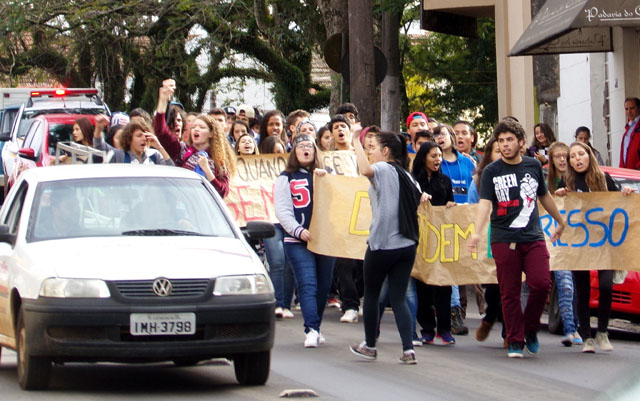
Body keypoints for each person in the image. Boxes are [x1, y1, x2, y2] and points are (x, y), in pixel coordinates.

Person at [467, 118, 566, 359]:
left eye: (510, 140)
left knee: (541, 284)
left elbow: (544, 197)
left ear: (521, 143)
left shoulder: (532, 166)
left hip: (533, 237)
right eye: (501, 141)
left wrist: (560, 221)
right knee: (509, 292)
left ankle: (530, 329)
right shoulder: (491, 171)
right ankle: (514, 339)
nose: (504, 145)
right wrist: (478, 232)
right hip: (503, 238)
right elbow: (484, 204)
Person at [349, 130, 428, 365]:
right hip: (407, 245)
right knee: (399, 297)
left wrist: (355, 142)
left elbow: (365, 170)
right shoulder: (408, 175)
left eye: (372, 148)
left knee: (371, 296)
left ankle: (370, 345)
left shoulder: (384, 169)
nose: (369, 152)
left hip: (382, 244)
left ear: (385, 151)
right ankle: (408, 350)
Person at [555, 142, 635, 352]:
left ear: (589, 155)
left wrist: (625, 192)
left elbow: (619, 203)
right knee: (582, 290)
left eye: (581, 154)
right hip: (580, 243)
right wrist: (561, 195)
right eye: (573, 156)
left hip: (604, 243)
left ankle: (602, 331)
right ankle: (587, 337)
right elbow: (558, 207)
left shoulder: (603, 179)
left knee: (606, 286)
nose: (577, 159)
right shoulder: (568, 181)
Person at [274, 134, 335, 347]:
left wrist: (326, 178)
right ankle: (311, 328)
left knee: (323, 285)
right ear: (294, 151)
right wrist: (297, 230)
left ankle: (316, 325)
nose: (306, 149)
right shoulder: (286, 177)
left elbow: (340, 201)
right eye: (301, 146)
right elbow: (282, 210)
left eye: (310, 146)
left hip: (325, 240)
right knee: (308, 284)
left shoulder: (328, 174)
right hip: (297, 240)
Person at [155, 79, 235, 198]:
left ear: (211, 133)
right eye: (194, 127)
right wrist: (162, 101)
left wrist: (207, 170)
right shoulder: (182, 151)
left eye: (201, 127)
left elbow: (223, 192)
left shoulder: (220, 160)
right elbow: (161, 132)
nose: (196, 130)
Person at [411, 141, 456, 345]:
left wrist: (450, 205)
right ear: (423, 158)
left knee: (444, 284)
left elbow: (451, 202)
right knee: (423, 286)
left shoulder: (445, 181)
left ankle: (445, 329)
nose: (438, 159)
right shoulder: (413, 181)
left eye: (440, 156)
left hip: (442, 239)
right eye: (433, 156)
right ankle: (427, 329)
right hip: (421, 239)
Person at [469, 138, 506, 346]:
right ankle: (491, 316)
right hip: (488, 237)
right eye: (497, 151)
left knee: (510, 286)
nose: (501, 153)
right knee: (493, 285)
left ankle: (510, 334)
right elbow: (470, 208)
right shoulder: (479, 180)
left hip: (512, 235)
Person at [546, 141, 582, 347]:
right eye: (557, 156)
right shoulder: (545, 182)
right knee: (565, 285)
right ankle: (570, 329)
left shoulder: (578, 179)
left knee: (577, 287)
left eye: (564, 156)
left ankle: (577, 326)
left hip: (578, 242)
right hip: (555, 244)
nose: (561, 159)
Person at [94, 115, 173, 165]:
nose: (144, 138)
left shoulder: (154, 156)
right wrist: (98, 128)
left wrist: (159, 147)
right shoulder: (120, 155)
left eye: (146, 135)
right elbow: (100, 147)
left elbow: (171, 170)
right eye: (139, 136)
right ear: (129, 139)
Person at [620, 97, 640, 169]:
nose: (629, 112)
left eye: (632, 108)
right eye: (626, 109)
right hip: (627, 174)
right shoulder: (628, 129)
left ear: (638, 108)